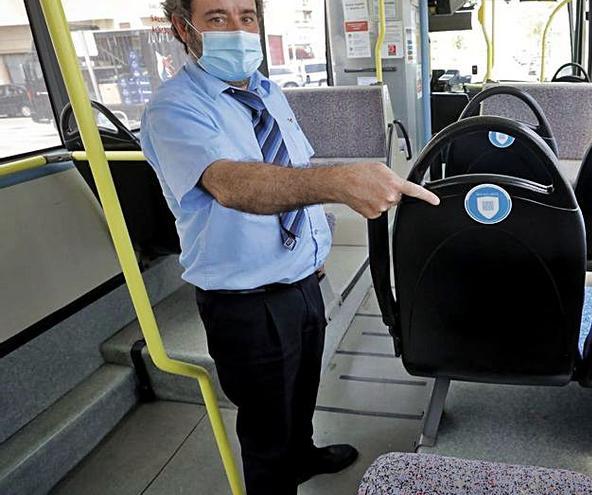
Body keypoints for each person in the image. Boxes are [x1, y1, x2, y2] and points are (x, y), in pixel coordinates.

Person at [140, 0, 440, 493]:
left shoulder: (269, 92)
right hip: (245, 304)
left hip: (301, 280)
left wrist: (314, 254)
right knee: (265, 432)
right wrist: (340, 183)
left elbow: (289, 169)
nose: (237, 30)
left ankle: (304, 454)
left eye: (247, 16)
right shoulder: (175, 107)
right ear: (183, 27)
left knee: (301, 394)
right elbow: (233, 184)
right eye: (217, 18)